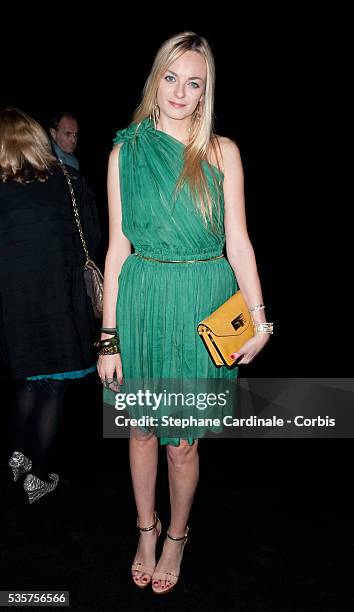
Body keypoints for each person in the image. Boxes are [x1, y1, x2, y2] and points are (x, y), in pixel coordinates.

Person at [97, 31, 273, 594]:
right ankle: (144, 529)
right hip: (144, 302)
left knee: (183, 441)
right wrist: (109, 337)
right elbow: (116, 249)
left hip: (201, 301)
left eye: (193, 82)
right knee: (143, 430)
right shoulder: (125, 152)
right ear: (156, 80)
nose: (180, 91)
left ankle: (177, 535)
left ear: (205, 92)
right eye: (171, 77)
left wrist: (260, 318)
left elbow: (239, 243)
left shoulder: (223, 153)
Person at [0, 107, 101, 503]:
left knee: (29, 380)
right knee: (53, 389)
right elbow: (90, 241)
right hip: (60, 304)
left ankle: (16, 455)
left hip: (15, 310)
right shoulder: (69, 181)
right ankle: (37, 478)